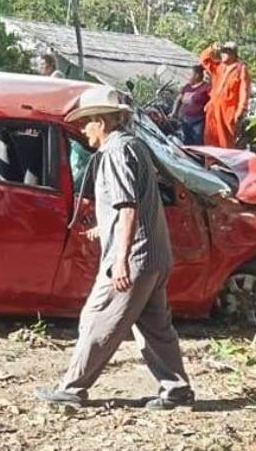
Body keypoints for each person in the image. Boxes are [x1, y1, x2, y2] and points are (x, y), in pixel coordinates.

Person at [36, 86, 193, 410]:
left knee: (97, 317)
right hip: (155, 256)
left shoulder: (115, 153)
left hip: (133, 257)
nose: (83, 130)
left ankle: (72, 388)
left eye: (86, 123)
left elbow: (129, 208)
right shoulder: (134, 146)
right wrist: (101, 228)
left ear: (102, 122)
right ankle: (177, 390)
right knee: (155, 328)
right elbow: (131, 207)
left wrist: (120, 260)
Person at [199, 41, 250, 148]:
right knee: (210, 137)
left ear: (233, 54)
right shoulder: (218, 67)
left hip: (228, 110)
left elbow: (244, 90)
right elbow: (204, 60)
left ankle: (224, 163)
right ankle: (210, 163)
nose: (223, 54)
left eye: (226, 52)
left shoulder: (240, 69)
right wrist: (212, 48)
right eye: (222, 52)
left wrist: (241, 110)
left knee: (225, 139)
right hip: (213, 107)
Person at [171, 65, 210, 145]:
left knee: (196, 142)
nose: (187, 77)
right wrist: (174, 112)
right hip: (185, 120)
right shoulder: (187, 87)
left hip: (198, 121)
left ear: (196, 75)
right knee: (185, 141)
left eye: (189, 74)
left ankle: (198, 157)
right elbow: (178, 100)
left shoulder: (206, 87)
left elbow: (213, 101)